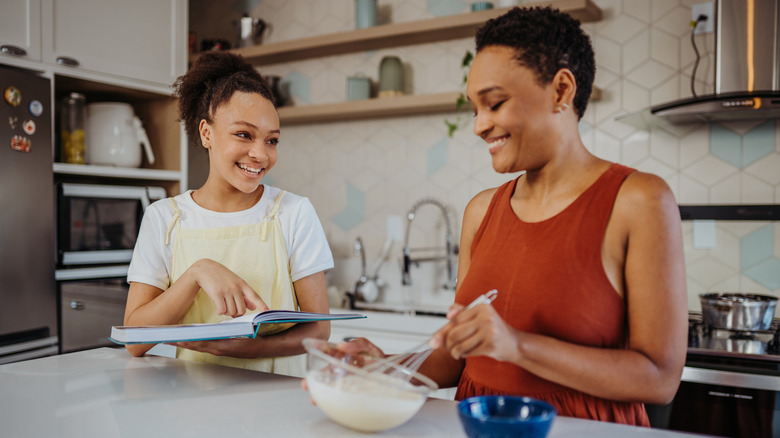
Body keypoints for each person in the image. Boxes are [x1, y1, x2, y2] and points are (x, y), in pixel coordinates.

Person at [331, 6, 687, 426]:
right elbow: (457, 357)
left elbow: (659, 379)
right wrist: (381, 367)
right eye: (475, 108)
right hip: (478, 427)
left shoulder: (638, 199)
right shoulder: (481, 211)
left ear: (561, 90)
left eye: (495, 103)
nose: (480, 125)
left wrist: (518, 346)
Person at [123, 51, 334, 377]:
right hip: (194, 409)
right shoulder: (165, 218)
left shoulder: (293, 213)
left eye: (272, 140)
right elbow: (135, 341)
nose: (260, 154)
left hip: (279, 410)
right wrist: (196, 274)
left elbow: (319, 331)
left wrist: (250, 350)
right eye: (244, 134)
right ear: (206, 133)